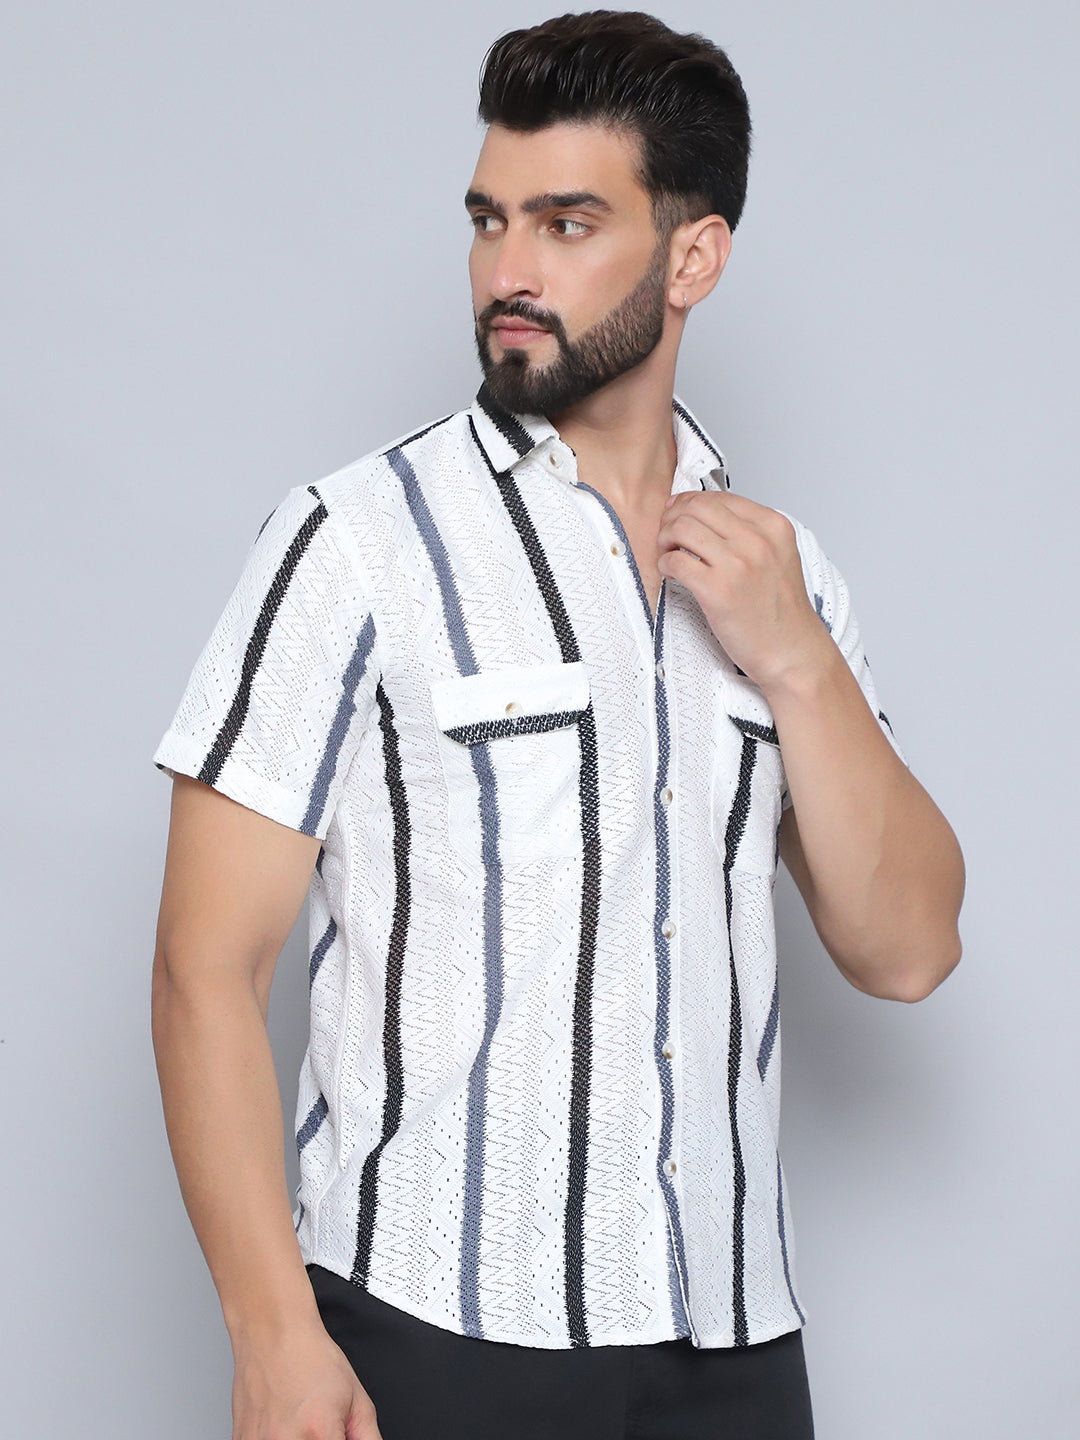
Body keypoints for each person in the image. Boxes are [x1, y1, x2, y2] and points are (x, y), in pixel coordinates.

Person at [149, 11, 965, 1439]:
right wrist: (274, 1337)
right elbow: (204, 967)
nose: (508, 271)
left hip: (732, 1344)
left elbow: (908, 949)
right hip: (433, 1335)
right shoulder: (355, 542)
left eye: (568, 223)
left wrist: (796, 660)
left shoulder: (786, 579)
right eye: (491, 220)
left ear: (693, 257)